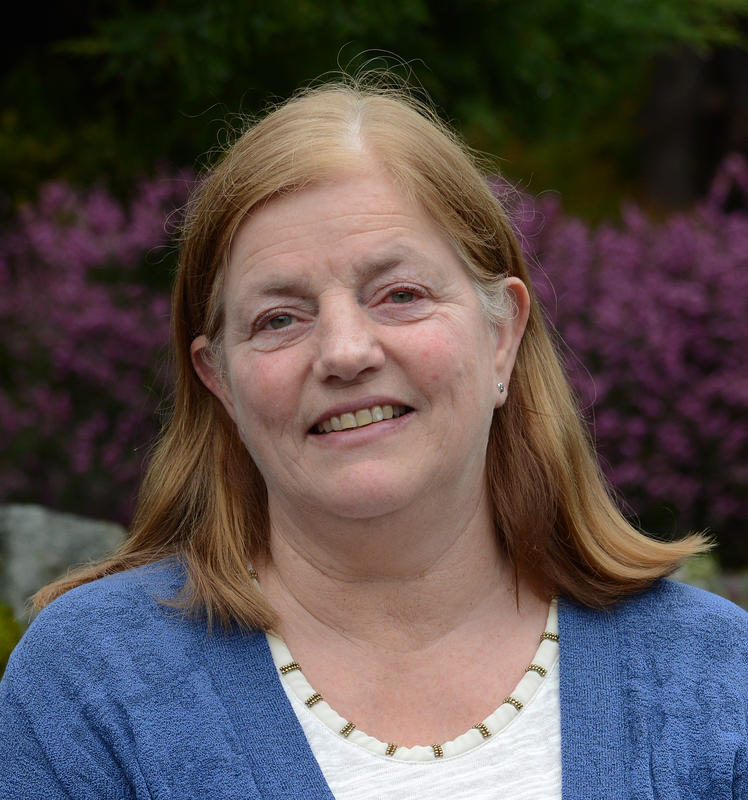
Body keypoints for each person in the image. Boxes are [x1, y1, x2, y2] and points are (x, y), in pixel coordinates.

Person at [1, 78, 745, 800]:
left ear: (502, 333)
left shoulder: (716, 679)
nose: (345, 351)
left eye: (400, 295)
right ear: (219, 380)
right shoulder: (92, 685)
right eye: (279, 318)